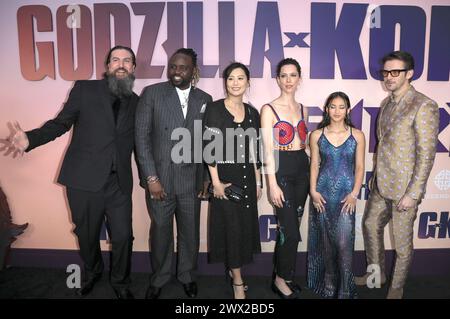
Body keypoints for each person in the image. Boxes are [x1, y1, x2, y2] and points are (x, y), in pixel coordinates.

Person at [0, 46, 139, 299]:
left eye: (127, 61)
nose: (121, 64)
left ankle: (120, 282)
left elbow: (141, 144)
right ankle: (93, 271)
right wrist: (30, 139)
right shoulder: (85, 90)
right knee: (86, 235)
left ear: (133, 68)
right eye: (116, 59)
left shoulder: (138, 102)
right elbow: (61, 123)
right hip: (83, 180)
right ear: (107, 66)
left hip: (118, 183)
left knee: (123, 236)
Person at [355, 51, 440, 299]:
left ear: (409, 74)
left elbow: (426, 154)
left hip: (405, 189)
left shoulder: (424, 105)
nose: (389, 77)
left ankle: (396, 287)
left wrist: (414, 193)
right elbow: (384, 144)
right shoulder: (386, 103)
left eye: (395, 72)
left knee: (402, 244)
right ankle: (376, 276)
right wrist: (375, 176)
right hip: (381, 184)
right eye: (386, 72)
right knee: (370, 226)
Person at [135, 48, 212, 299]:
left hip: (191, 180)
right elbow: (142, 139)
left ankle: (187, 275)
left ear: (194, 71)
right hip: (161, 180)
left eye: (183, 67)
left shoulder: (205, 99)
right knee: (161, 232)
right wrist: (151, 178)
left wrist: (206, 179)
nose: (176, 71)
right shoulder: (152, 94)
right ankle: (159, 277)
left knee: (190, 232)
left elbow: (207, 143)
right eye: (173, 66)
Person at [203, 62, 262, 299]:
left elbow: (254, 151)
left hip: (247, 179)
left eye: (240, 78)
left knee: (243, 229)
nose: (235, 83)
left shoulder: (252, 113)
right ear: (225, 82)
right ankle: (238, 280)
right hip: (225, 180)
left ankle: (233, 271)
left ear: (248, 82)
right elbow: (209, 148)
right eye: (230, 78)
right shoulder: (214, 109)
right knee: (231, 229)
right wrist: (215, 183)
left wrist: (258, 182)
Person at [307, 92, 365, 299]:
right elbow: (314, 165)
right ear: (327, 109)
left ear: (348, 110)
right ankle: (330, 284)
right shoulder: (316, 135)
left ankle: (346, 289)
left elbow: (359, 167)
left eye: (342, 107)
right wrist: (313, 191)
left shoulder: (357, 135)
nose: (337, 111)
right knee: (326, 244)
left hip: (346, 196)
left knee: (343, 244)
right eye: (333, 106)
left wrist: (354, 194)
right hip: (322, 195)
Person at [260, 58, 309, 299]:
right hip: (281, 169)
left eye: (293, 75)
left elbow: (305, 144)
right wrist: (271, 183)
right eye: (284, 75)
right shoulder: (268, 109)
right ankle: (279, 279)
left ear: (299, 78)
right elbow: (266, 150)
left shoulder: (303, 108)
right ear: (278, 79)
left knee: (295, 227)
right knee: (288, 229)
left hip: (302, 168)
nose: (288, 80)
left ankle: (286, 274)